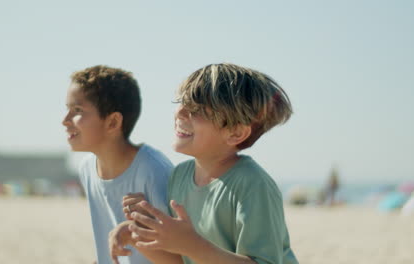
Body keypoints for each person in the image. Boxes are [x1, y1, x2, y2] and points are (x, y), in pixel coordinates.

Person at [115, 63, 299, 264]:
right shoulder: (180, 176)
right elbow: (181, 260)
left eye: (197, 109)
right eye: (182, 101)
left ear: (236, 133)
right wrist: (137, 234)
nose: (181, 113)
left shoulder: (253, 184)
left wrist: (192, 245)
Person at [62, 65, 173, 264]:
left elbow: (182, 258)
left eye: (77, 110)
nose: (65, 120)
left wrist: (136, 233)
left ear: (113, 122)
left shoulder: (154, 170)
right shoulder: (87, 169)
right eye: (67, 110)